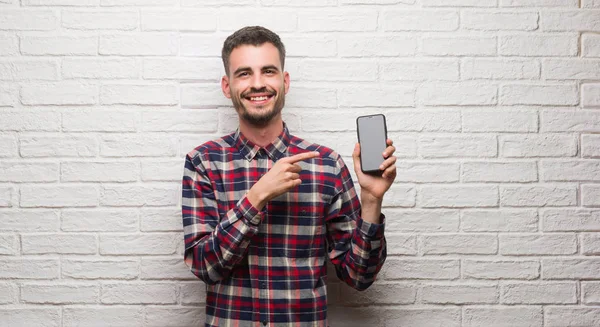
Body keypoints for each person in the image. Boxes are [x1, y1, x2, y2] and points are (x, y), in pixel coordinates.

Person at [182, 26, 397, 327]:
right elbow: (204, 266)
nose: (258, 84)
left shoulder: (327, 165)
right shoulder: (203, 163)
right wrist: (256, 197)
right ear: (227, 86)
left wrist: (372, 201)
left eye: (268, 71)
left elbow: (359, 277)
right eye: (244, 73)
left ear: (284, 81)